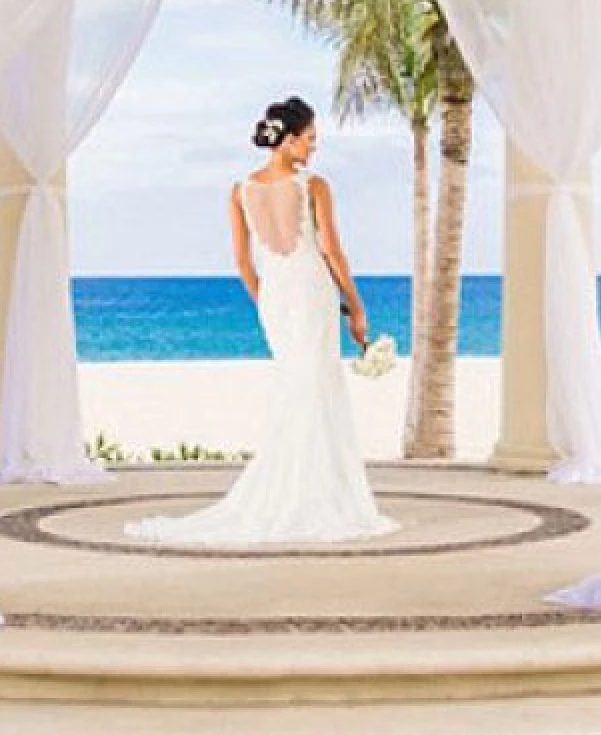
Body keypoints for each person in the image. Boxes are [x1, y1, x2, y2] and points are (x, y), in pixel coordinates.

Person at [124, 96, 397, 547]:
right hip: (310, 291)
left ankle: (298, 491)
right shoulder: (313, 186)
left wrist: (265, 301)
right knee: (315, 389)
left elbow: (242, 262)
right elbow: (331, 251)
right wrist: (357, 306)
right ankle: (314, 497)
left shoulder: (240, 190)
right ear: (288, 140)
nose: (313, 148)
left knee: (298, 387)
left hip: (276, 297)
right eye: (309, 139)